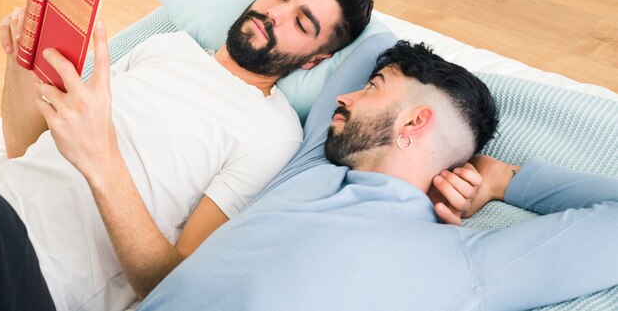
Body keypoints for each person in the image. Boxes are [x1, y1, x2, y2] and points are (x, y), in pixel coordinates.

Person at [0, 0, 382, 311]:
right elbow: (23, 148)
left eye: (300, 22)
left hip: (38, 274)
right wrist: (21, 58)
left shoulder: (273, 135)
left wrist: (102, 161)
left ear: (315, 60)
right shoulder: (168, 46)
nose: (275, 14)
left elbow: (174, 285)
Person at [136, 36, 618, 311]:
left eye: (373, 88)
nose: (344, 97)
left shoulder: (469, 265)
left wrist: (502, 178)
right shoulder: (311, 167)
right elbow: (378, 40)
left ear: (413, 123)